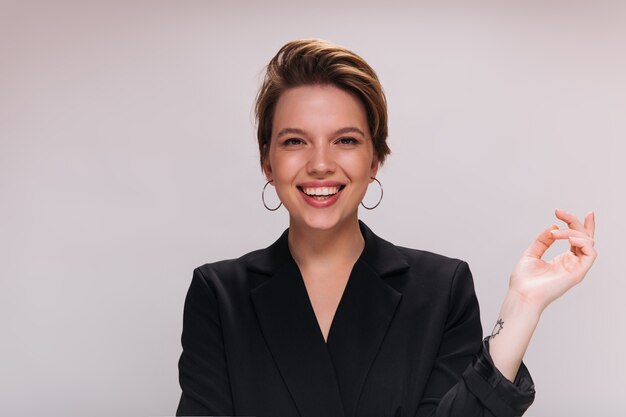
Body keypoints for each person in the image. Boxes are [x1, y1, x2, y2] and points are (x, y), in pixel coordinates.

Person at [176, 39, 597, 417]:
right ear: (267, 161)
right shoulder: (218, 295)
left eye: (345, 140)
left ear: (375, 158)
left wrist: (522, 305)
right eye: (294, 141)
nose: (320, 163)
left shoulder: (441, 288)